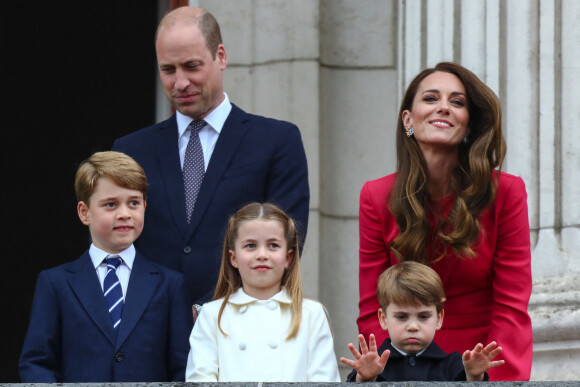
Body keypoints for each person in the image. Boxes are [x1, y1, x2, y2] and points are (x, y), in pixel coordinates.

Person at [112, 6, 310, 308]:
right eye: (168, 69)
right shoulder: (129, 151)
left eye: (192, 66)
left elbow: (285, 243)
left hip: (241, 328)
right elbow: (111, 247)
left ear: (220, 56)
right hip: (150, 332)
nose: (180, 83)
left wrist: (211, 311)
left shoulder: (276, 141)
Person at [357, 62, 532, 381]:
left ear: (468, 125)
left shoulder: (505, 192)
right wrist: (385, 377)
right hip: (406, 366)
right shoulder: (376, 195)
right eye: (430, 98)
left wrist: (493, 380)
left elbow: (512, 305)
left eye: (457, 102)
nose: (443, 107)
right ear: (408, 120)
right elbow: (373, 307)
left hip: (479, 363)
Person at [18, 151, 192, 382]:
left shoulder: (170, 284)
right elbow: (36, 363)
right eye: (110, 204)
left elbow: (183, 368)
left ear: (144, 206)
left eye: (133, 203)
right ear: (84, 212)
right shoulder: (55, 283)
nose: (124, 214)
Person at [185, 202, 340, 382]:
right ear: (233, 258)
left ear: (288, 258)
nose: (262, 255)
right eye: (250, 245)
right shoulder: (212, 315)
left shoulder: (311, 314)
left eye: (273, 245)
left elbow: (324, 381)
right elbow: (201, 380)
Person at [343, 261, 504, 381]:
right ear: (383, 319)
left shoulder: (454, 365)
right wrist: (365, 379)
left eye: (423, 317)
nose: (413, 326)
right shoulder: (371, 364)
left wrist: (474, 376)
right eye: (401, 317)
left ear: (439, 319)